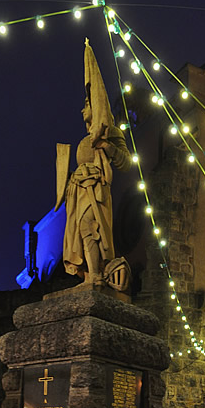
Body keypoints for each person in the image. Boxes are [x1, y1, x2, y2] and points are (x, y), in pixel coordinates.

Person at [55, 40, 132, 290]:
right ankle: (89, 275)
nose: (82, 109)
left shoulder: (111, 134)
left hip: (95, 189)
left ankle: (97, 276)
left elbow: (126, 162)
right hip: (77, 190)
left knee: (91, 229)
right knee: (80, 233)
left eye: (87, 105)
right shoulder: (83, 139)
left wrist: (106, 147)